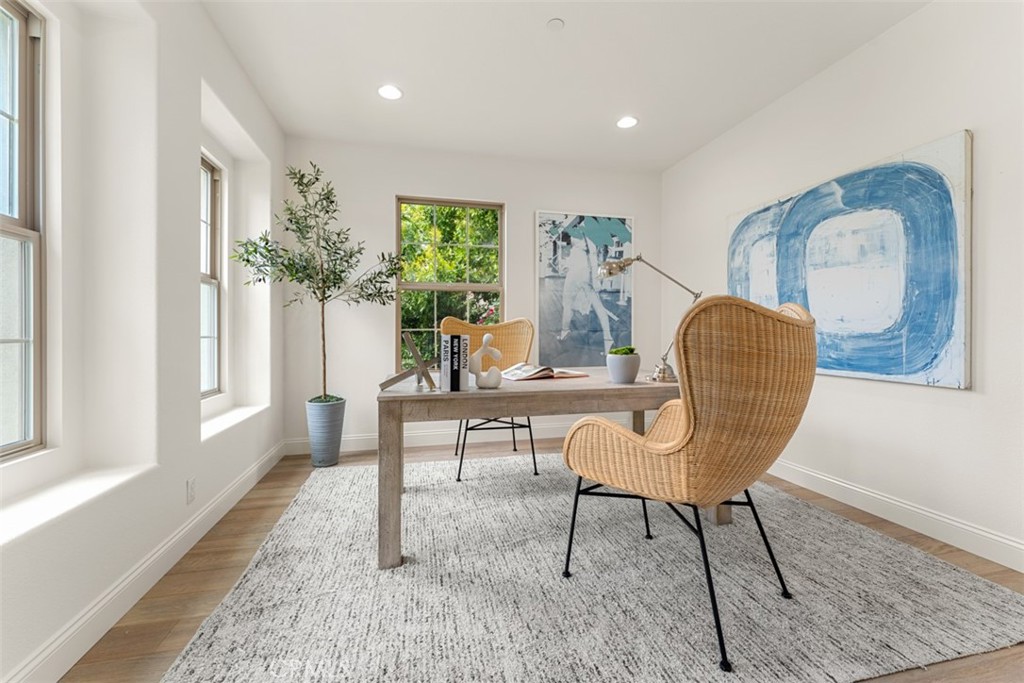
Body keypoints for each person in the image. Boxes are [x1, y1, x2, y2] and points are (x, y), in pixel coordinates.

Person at [557, 231, 617, 354]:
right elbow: (582, 260)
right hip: (582, 275)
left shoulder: (586, 240)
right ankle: (608, 339)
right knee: (597, 306)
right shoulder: (582, 243)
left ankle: (564, 332)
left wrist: (596, 280)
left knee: (568, 304)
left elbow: (592, 261)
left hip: (578, 276)